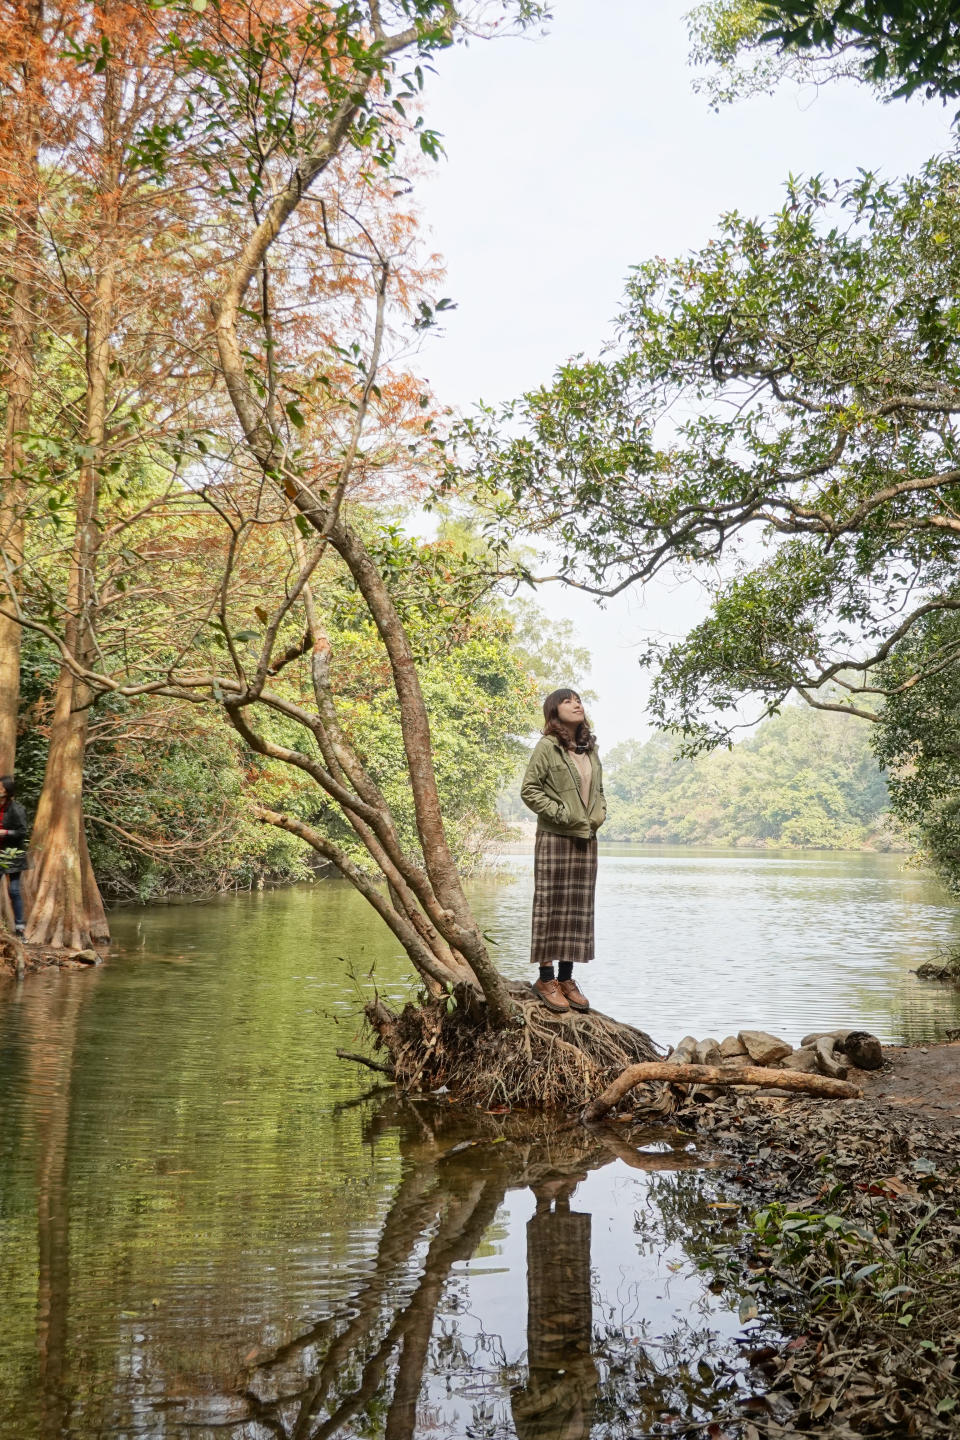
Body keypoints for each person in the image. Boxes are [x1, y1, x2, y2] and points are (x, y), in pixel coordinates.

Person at [520, 689, 606, 1014]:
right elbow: (529, 789)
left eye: (579, 700)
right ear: (554, 711)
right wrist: (560, 812)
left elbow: (598, 790)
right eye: (568, 701)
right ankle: (545, 978)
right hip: (555, 836)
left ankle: (566, 979)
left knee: (577, 908)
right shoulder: (547, 747)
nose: (577, 704)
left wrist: (598, 815)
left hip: (586, 838)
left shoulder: (590, 750)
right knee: (550, 904)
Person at [0, 774, 29, 939]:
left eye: (1, 788)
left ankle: (20, 929)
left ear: (7, 791)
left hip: (12, 855)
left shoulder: (17, 809)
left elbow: (22, 832)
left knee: (14, 891)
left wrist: (5, 832)